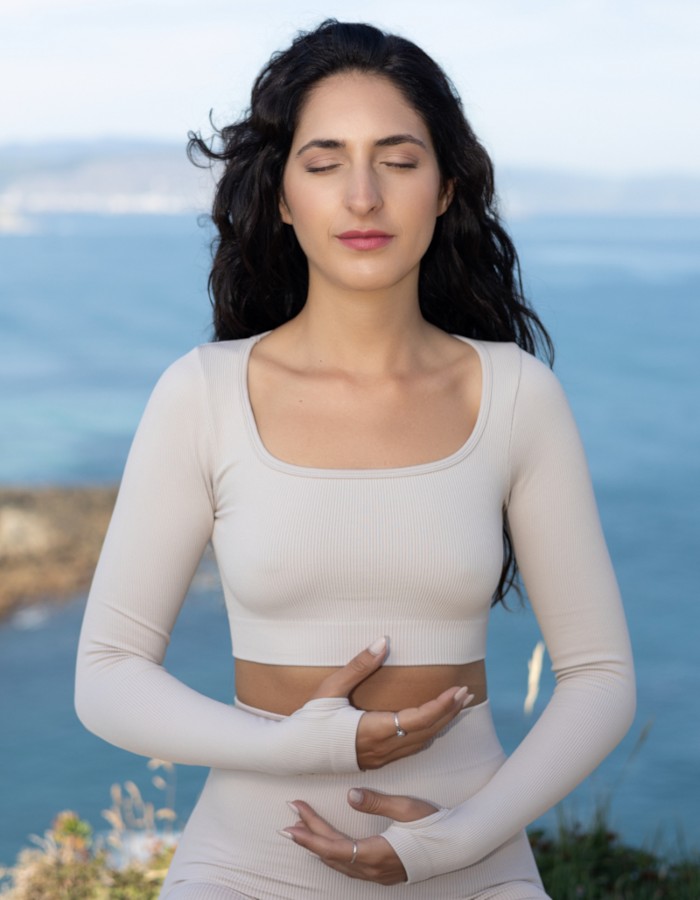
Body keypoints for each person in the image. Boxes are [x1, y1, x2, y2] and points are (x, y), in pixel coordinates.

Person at [75, 19, 636, 900]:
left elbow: (600, 680)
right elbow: (106, 677)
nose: (363, 195)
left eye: (399, 160)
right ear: (284, 195)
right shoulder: (205, 393)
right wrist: (305, 746)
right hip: (247, 864)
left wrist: (458, 841)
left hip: (473, 863)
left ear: (446, 188)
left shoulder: (518, 395)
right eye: (326, 160)